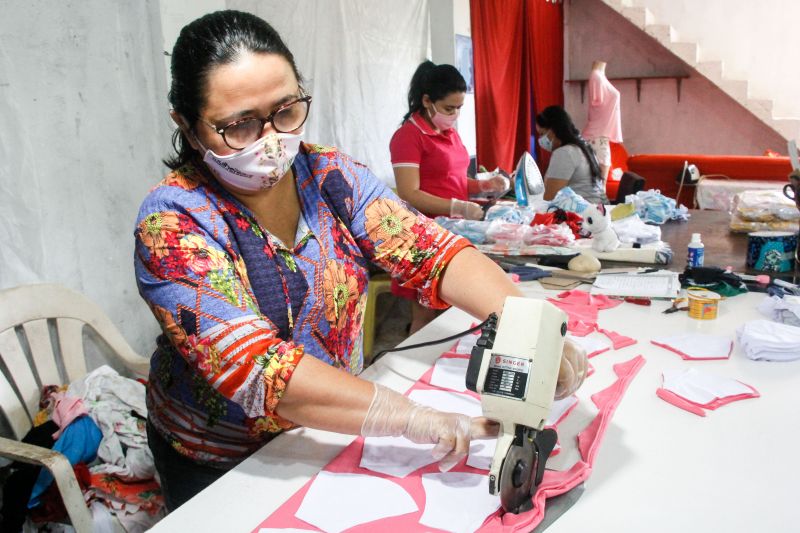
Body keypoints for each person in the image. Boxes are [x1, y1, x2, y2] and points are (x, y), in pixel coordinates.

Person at [134, 10, 587, 511]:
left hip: (329, 430)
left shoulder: (328, 174)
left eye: (285, 111)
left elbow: (432, 251)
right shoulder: (173, 222)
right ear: (188, 125)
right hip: (220, 460)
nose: (270, 140)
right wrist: (412, 417)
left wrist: (527, 324)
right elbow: (262, 372)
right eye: (238, 127)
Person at [389, 61, 508, 333]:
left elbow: (450, 178)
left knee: (455, 312)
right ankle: (415, 372)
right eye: (449, 108)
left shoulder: (449, 133)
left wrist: (483, 186)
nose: (454, 114)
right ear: (427, 100)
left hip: (454, 232)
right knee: (426, 316)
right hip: (424, 237)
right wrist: (459, 207)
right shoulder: (408, 137)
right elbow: (410, 192)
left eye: (459, 108)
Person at [535, 105, 609, 205]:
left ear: (553, 130)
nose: (540, 140)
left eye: (542, 134)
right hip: (596, 209)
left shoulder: (565, 153)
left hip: (585, 214)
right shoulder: (582, 147)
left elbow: (550, 199)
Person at [582, 60, 623, 183]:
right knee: (599, 188)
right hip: (596, 137)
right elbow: (596, 101)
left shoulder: (601, 76)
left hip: (600, 137)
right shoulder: (596, 76)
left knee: (599, 187)